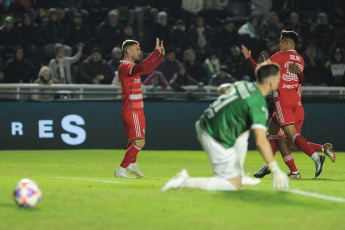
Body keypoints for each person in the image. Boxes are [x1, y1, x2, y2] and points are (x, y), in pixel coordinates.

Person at [161, 62, 289, 191]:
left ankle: (239, 173)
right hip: (215, 134)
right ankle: (184, 182)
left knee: (243, 130)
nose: (279, 81)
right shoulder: (258, 104)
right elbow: (261, 142)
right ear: (271, 82)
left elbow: (222, 88)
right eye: (278, 78)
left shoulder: (242, 84)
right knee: (232, 186)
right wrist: (275, 169)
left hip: (207, 123)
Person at [242, 31, 336, 178]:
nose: (279, 45)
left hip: (282, 99)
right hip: (295, 100)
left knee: (291, 138)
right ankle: (268, 165)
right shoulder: (300, 59)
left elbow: (258, 70)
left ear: (285, 43)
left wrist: (249, 58)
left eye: (280, 42)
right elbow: (301, 81)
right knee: (273, 133)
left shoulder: (279, 56)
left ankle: (316, 158)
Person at [114, 38, 165, 178]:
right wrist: (155, 52)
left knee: (134, 140)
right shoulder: (125, 67)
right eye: (137, 49)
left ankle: (132, 164)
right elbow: (142, 67)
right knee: (140, 142)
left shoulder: (132, 68)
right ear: (128, 51)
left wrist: (160, 56)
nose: (140, 51)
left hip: (137, 110)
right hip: (131, 109)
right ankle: (121, 169)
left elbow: (147, 68)